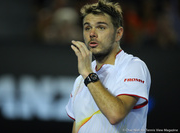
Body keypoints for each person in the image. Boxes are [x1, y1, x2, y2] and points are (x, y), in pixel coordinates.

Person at [65, 0, 151, 132]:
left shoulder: (133, 66)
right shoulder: (80, 80)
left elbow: (115, 114)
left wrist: (88, 74)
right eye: (87, 27)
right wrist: (86, 74)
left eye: (101, 27)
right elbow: (78, 126)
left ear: (118, 33)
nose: (92, 33)